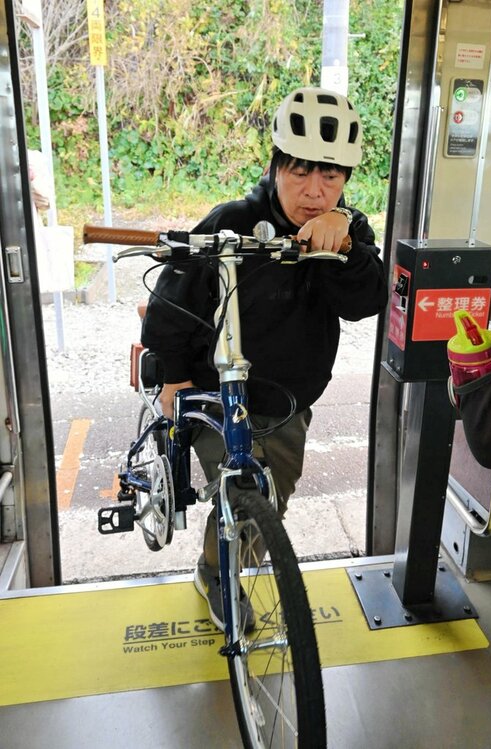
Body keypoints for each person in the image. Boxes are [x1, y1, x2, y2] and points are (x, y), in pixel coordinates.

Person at [141, 86, 388, 631]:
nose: (315, 191)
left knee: (268, 504)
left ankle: (212, 569)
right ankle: (224, 579)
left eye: (330, 176)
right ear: (276, 165)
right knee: (238, 494)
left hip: (287, 401)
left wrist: (341, 247)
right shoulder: (229, 221)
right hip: (215, 391)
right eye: (300, 172)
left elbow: (365, 302)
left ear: (345, 180)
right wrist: (173, 378)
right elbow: (169, 308)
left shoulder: (346, 231)